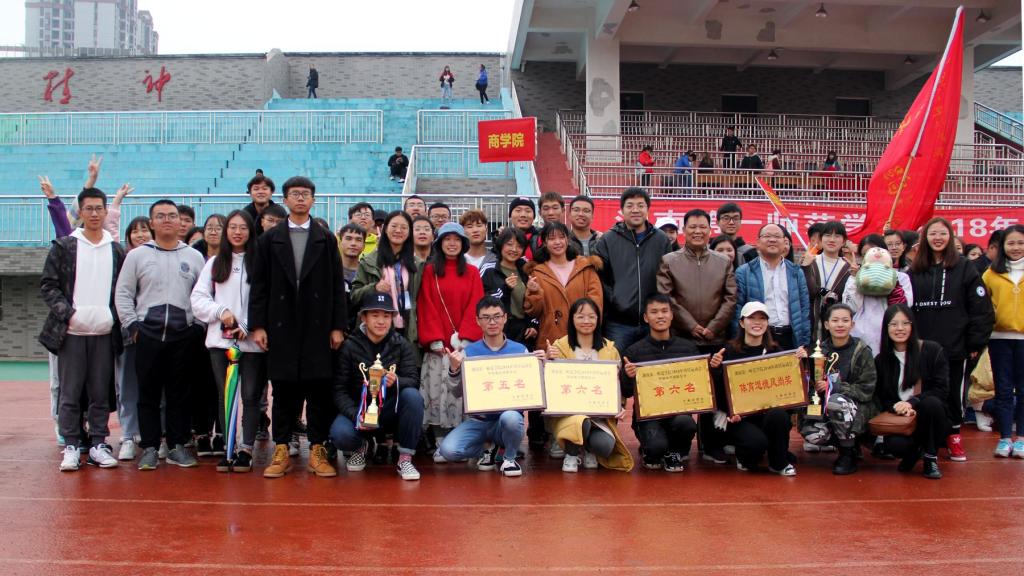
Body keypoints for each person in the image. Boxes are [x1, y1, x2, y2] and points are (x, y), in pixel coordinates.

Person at [248, 176, 348, 479]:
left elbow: (336, 286)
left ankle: (317, 448)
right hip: (282, 325)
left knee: (318, 391)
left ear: (313, 200)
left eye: (306, 194)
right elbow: (259, 286)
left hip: (318, 326)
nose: (301, 198)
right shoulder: (269, 239)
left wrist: (337, 326)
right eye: (295, 194)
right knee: (283, 390)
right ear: (285, 199)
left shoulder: (326, 239)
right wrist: (258, 325)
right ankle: (281, 448)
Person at [115, 199, 206, 471]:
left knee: (180, 394)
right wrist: (133, 327)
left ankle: (177, 446)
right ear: (152, 223)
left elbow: (204, 295)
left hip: (183, 337)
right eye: (160, 216)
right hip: (147, 336)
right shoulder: (137, 256)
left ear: (180, 222)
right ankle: (150, 448)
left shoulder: (194, 257)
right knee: (148, 394)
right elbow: (123, 293)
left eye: (172, 215)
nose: (167, 220)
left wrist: (197, 327)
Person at [40, 187, 126, 472]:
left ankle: (99, 443)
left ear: (105, 211)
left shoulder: (116, 250)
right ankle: (72, 446)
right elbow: (48, 285)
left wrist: (112, 318)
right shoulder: (65, 246)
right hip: (72, 334)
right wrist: (70, 315)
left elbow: (123, 291)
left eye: (99, 208)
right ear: (81, 211)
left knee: (100, 393)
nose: (94, 213)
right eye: (88, 208)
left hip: (104, 333)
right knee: (70, 393)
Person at [909, 217, 994, 462]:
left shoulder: (965, 267)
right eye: (932, 233)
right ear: (925, 238)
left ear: (951, 237)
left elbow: (981, 308)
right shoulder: (915, 270)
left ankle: (954, 436)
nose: (937, 238)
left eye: (942, 233)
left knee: (953, 394)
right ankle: (926, 440)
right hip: (922, 347)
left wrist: (975, 343)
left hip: (955, 346)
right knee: (924, 394)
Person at [190, 210, 266, 473]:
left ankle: (246, 449)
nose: (237, 232)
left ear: (251, 232)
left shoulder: (260, 262)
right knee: (226, 395)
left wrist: (248, 324)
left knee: (251, 395)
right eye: (232, 227)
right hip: (221, 343)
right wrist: (220, 312)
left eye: (243, 227)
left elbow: (266, 299)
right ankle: (229, 448)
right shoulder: (214, 263)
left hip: (253, 343)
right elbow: (198, 299)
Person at [440, 297, 549, 476]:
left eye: (497, 316)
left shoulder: (520, 351)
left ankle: (509, 458)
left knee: (511, 418)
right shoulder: (468, 352)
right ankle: (487, 451)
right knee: (448, 451)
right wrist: (454, 369)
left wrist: (542, 367)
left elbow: (533, 389)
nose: (492, 322)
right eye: (486, 317)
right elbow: (457, 393)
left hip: (507, 420)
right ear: (478, 321)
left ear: (505, 318)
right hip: (478, 421)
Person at [330, 292, 424, 480]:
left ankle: (405, 458)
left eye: (386, 316)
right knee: (340, 434)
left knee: (413, 397)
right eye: (375, 315)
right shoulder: (349, 346)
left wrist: (396, 381)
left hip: (389, 410)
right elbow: (339, 389)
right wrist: (357, 415)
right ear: (363, 317)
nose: (381, 321)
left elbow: (413, 380)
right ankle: (361, 446)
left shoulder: (401, 344)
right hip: (359, 409)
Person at [709, 301, 804, 476]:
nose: (757, 322)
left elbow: (789, 385)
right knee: (755, 444)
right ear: (741, 322)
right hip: (738, 417)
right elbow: (718, 390)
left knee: (779, 416)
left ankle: (779, 463)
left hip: (766, 413)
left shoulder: (776, 351)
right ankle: (744, 456)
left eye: (762, 318)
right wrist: (715, 370)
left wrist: (800, 361)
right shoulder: (727, 351)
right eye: (751, 318)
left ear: (767, 323)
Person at [417, 223, 484, 457]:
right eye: (447, 239)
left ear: (463, 244)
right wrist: (435, 339)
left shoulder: (472, 272)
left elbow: (476, 304)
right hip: (437, 347)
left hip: (463, 348)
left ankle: (460, 440)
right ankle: (439, 440)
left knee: (461, 395)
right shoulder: (430, 272)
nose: (452, 243)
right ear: (439, 243)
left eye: (457, 239)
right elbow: (426, 305)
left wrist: (465, 339)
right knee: (436, 394)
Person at [546, 298, 633, 472]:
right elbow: (551, 385)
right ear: (572, 319)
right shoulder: (560, 347)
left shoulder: (610, 350)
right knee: (581, 421)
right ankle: (571, 454)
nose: (586, 321)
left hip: (599, 417)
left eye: (591, 317)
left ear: (598, 319)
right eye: (581, 316)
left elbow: (616, 386)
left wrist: (619, 406)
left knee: (605, 446)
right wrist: (548, 360)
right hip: (569, 414)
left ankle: (589, 449)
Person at [621, 294, 700, 471]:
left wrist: (713, 368)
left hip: (678, 414)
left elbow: (698, 386)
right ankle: (651, 450)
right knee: (656, 447)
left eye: (665, 311)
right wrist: (627, 375)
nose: (660, 316)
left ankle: (675, 452)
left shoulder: (688, 349)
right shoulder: (634, 351)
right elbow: (626, 392)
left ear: (672, 315)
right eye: (654, 312)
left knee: (686, 424)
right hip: (649, 417)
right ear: (646, 317)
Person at [594, 187, 674, 355]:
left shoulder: (661, 239)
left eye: (640, 205)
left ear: (647, 209)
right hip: (618, 322)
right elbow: (600, 278)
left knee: (651, 366)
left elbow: (668, 277)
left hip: (652, 320)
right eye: (630, 206)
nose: (635, 210)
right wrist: (616, 300)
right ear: (622, 210)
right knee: (616, 364)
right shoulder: (608, 239)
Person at [874, 304, 950, 479]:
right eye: (894, 324)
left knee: (932, 404)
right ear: (886, 328)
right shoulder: (881, 360)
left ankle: (930, 458)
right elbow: (882, 397)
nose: (900, 328)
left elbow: (941, 389)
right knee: (896, 445)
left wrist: (912, 402)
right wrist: (897, 408)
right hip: (902, 418)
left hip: (929, 415)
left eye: (905, 323)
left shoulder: (931, 350)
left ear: (912, 325)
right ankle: (913, 452)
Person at [800, 303, 877, 475]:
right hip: (826, 409)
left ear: (852, 324)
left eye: (845, 320)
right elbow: (809, 383)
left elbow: (867, 388)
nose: (840, 325)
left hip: (857, 408)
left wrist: (835, 387)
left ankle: (847, 454)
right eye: (835, 320)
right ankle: (848, 444)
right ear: (827, 324)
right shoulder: (819, 351)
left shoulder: (862, 351)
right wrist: (802, 363)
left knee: (836, 402)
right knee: (812, 434)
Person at [524, 221, 603, 366]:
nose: (557, 242)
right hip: (551, 340)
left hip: (584, 339)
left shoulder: (585, 267)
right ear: (545, 242)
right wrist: (534, 292)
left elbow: (596, 304)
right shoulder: (538, 272)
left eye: (561, 237)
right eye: (552, 238)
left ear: (568, 239)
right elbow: (534, 312)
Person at [657, 209, 736, 352]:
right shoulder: (669, 261)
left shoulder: (723, 261)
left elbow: (730, 298)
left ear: (710, 230)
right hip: (681, 337)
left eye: (703, 227)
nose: (698, 231)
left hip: (716, 338)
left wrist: (714, 327)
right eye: (693, 227)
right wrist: (690, 326)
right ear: (684, 230)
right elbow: (666, 297)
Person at [733, 223, 812, 350]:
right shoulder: (744, 272)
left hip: (790, 337)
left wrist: (804, 341)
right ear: (758, 242)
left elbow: (804, 309)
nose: (772, 240)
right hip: (758, 336)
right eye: (767, 236)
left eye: (777, 236)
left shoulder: (796, 272)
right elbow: (737, 310)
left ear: (785, 242)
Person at [982, 224, 1024, 459]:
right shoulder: (991, 273)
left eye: (1021, 243)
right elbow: (982, 305)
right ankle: (1005, 437)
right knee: (1003, 389)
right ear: (1002, 246)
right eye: (1011, 243)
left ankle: (1022, 439)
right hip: (999, 339)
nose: (1016, 247)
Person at [351, 211, 420, 346]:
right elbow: (354, 296)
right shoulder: (369, 261)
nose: (398, 230)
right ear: (385, 229)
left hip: (409, 329)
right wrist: (374, 287)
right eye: (394, 226)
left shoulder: (417, 263)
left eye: (404, 227)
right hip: (377, 329)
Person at [115, 217, 152, 460]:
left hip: (156, 334)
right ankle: (128, 434)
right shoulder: (122, 259)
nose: (140, 235)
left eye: (144, 230)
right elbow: (121, 295)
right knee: (127, 385)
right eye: (135, 231)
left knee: (155, 387)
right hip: (129, 334)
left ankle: (154, 434)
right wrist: (131, 325)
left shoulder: (160, 258)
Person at [843, 240, 912, 356]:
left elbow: (906, 305)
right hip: (862, 333)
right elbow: (851, 306)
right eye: (865, 254)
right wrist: (855, 279)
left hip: (891, 332)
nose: (876, 255)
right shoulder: (857, 278)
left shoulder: (901, 277)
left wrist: (892, 282)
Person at [480, 228, 535, 345]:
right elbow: (483, 301)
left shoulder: (526, 270)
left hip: (523, 332)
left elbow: (534, 302)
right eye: (509, 244)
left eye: (519, 246)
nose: (514, 249)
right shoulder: (489, 269)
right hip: (497, 330)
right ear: (501, 245)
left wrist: (533, 324)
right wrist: (505, 288)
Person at [803, 221, 853, 344]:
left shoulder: (848, 268)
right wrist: (805, 267)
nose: (832, 240)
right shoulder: (810, 262)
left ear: (843, 241)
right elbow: (806, 292)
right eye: (827, 235)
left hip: (836, 329)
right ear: (820, 239)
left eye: (837, 236)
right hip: (809, 325)